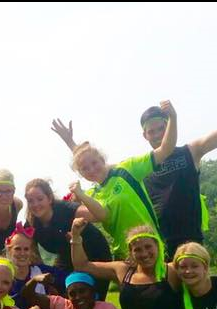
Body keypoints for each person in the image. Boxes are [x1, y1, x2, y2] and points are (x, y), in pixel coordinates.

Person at [54, 53, 217, 257]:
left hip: (189, 238)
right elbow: (96, 168)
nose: (156, 134)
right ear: (144, 135)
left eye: (161, 128)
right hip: (155, 243)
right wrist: (71, 144)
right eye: (151, 131)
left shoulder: (190, 151)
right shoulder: (137, 167)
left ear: (169, 125)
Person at [50, 101, 177, 258]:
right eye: (85, 169)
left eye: (95, 163)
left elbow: (166, 149)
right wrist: (78, 196)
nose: (91, 170)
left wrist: (173, 118)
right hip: (125, 256)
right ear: (80, 174)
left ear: (102, 159)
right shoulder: (91, 195)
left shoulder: (127, 169)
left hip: (152, 250)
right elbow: (103, 216)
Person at [24, 178, 112, 300]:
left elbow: (100, 215)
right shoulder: (31, 224)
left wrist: (81, 195)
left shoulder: (66, 210)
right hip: (67, 257)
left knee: (90, 299)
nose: (35, 204)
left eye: (40, 199)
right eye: (31, 201)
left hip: (95, 255)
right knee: (60, 293)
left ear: (49, 199)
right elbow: (33, 256)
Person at [4, 222, 63, 309]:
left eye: (26, 249)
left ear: (31, 251)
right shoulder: (4, 276)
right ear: (9, 250)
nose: (22, 253)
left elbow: (68, 279)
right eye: (17, 249)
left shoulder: (41, 270)